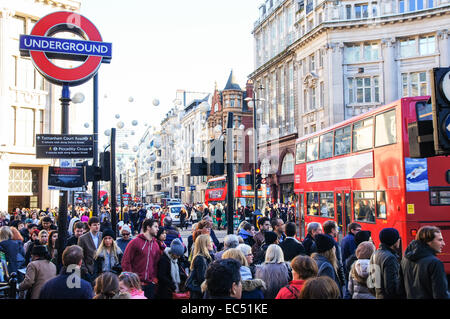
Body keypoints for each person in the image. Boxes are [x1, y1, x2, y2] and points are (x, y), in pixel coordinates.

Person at [401, 225, 449, 299]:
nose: (443, 243)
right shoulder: (435, 263)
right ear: (428, 242)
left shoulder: (405, 260)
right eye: (440, 240)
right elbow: (441, 295)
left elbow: (399, 290)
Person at [121, 218, 164, 299]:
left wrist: (154, 279)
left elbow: (156, 264)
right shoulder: (135, 242)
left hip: (150, 285)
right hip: (135, 285)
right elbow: (126, 261)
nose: (158, 229)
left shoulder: (156, 245)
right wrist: (130, 280)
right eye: (155, 226)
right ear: (148, 227)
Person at [368, 228, 403, 299]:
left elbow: (371, 283)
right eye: (398, 238)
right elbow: (391, 287)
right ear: (394, 241)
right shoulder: (390, 258)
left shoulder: (375, 253)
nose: (399, 240)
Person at [186, 234, 214, 299]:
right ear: (205, 244)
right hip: (199, 294)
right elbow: (202, 279)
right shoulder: (200, 259)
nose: (212, 243)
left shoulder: (206, 257)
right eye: (210, 242)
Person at [78, 216, 103, 284]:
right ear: (89, 226)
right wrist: (85, 271)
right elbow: (80, 255)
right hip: (89, 269)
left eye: (98, 224)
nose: (97, 226)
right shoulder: (82, 238)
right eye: (94, 225)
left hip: (101, 268)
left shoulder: (102, 236)